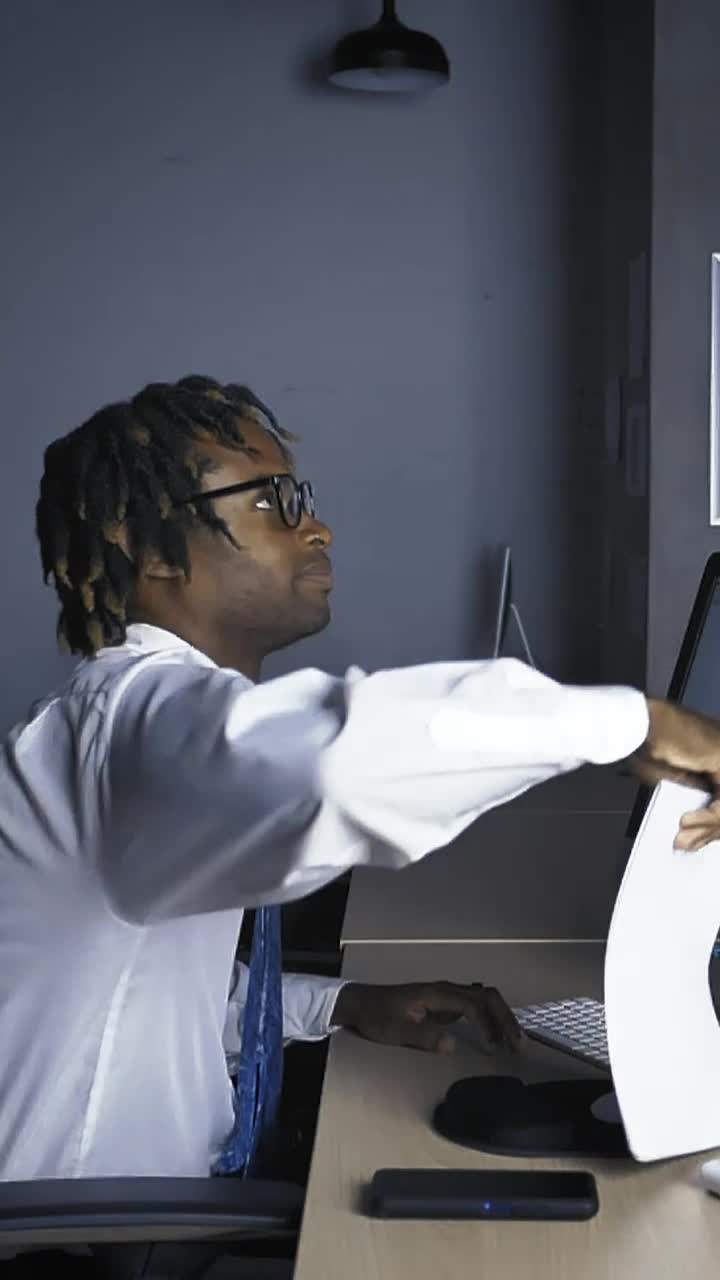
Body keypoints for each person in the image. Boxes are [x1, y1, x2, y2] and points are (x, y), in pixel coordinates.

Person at [2, 374, 720, 1194]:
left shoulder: (127, 730)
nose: (318, 528)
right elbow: (331, 765)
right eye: (275, 502)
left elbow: (143, 994)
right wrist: (637, 725)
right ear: (155, 550)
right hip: (89, 1235)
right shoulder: (138, 725)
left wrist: (340, 1006)